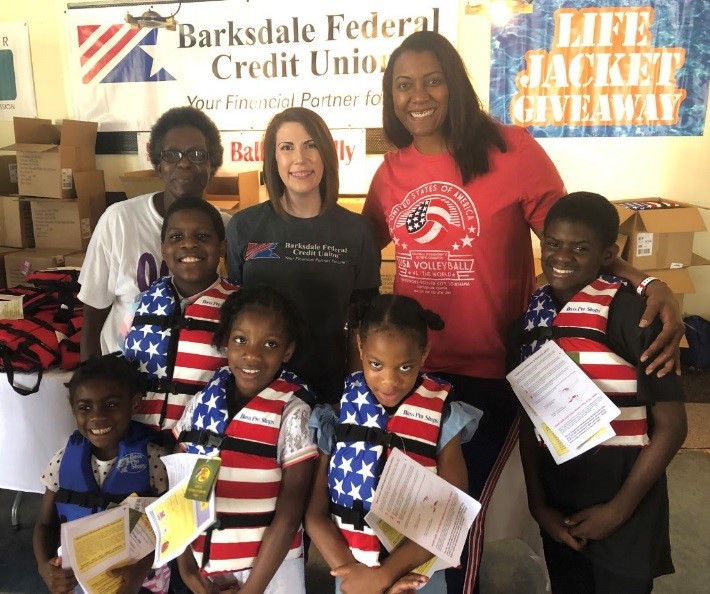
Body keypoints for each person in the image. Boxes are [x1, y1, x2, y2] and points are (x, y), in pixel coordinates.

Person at [361, 30, 685, 593]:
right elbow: (356, 249)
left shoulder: (512, 150)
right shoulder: (391, 172)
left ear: (456, 84)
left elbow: (576, 242)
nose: (418, 95)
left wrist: (648, 279)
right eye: (403, 85)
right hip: (413, 375)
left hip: (489, 372)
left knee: (460, 517)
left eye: (432, 79)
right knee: (413, 516)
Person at [510, 192, 687, 593]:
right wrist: (539, 506)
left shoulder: (633, 316)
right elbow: (527, 421)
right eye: (553, 244)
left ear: (609, 254)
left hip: (627, 504)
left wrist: (619, 510)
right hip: (561, 502)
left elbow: (672, 426)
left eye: (580, 248)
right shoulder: (528, 323)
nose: (562, 256)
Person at [305, 294, 481, 594]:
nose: (388, 382)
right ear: (360, 347)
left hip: (416, 576)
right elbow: (314, 513)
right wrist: (357, 577)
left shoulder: (444, 418)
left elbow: (453, 511)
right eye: (376, 364)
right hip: (351, 574)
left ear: (424, 354)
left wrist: (384, 577)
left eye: (404, 367)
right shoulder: (334, 417)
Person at [226, 107, 381, 405]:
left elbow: (362, 331)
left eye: (311, 145)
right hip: (257, 392)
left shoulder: (356, 231)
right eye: (287, 147)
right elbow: (235, 316)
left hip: (327, 393)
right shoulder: (244, 227)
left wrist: (348, 398)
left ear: (326, 153)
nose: (300, 158)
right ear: (273, 158)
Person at [173, 286, 317, 593]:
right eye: (241, 340)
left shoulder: (294, 414)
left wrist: (252, 590)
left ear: (287, 351)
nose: (252, 354)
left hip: (269, 573)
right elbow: (177, 492)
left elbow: (290, 512)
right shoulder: (201, 403)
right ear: (226, 341)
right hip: (202, 570)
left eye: (270, 344)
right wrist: (187, 571)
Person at [79, 106, 227, 360]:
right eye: (172, 154)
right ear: (158, 164)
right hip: (126, 379)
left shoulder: (226, 227)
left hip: (198, 383)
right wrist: (90, 376)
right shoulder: (120, 220)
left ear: (212, 165)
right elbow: (92, 317)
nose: (184, 163)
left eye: (197, 154)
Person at [33, 354, 171, 594]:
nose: (97, 416)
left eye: (110, 404)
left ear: (135, 404)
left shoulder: (155, 461)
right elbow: (45, 524)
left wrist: (139, 572)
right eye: (85, 407)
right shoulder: (61, 460)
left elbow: (169, 528)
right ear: (73, 409)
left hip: (142, 582)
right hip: (78, 580)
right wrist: (44, 568)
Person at [122, 196, 239, 431]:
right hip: (139, 439)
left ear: (222, 246)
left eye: (203, 236)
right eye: (176, 237)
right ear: (163, 247)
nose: (189, 244)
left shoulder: (240, 306)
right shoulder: (142, 302)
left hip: (201, 442)